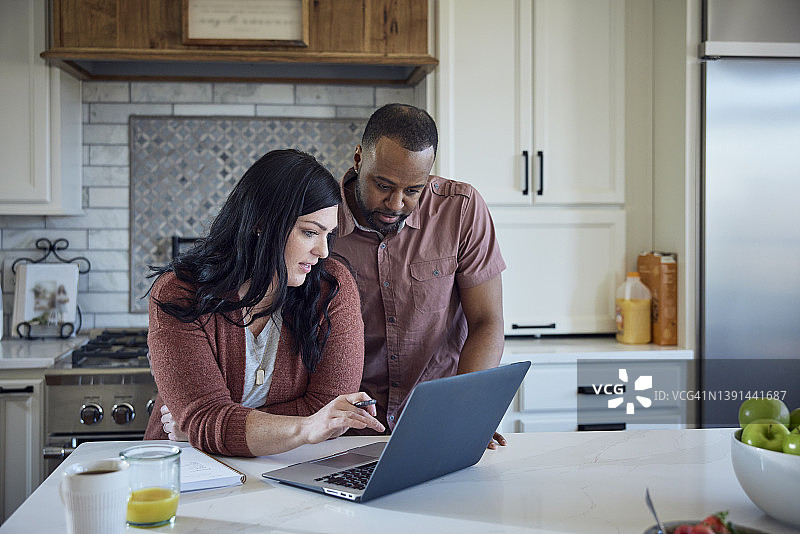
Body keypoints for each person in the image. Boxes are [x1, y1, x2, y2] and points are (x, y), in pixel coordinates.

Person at [144, 149, 384, 457]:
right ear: (261, 222)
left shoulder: (332, 287)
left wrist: (216, 425)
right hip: (187, 471)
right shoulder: (179, 294)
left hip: (291, 467)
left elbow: (330, 410)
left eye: (329, 235)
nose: (323, 251)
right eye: (310, 232)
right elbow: (206, 419)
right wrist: (209, 424)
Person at [334, 104, 507, 447]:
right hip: (345, 429)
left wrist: (467, 410)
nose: (396, 203)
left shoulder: (461, 209)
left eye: (413, 190)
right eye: (383, 185)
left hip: (437, 422)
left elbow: (487, 321)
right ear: (358, 159)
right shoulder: (321, 221)